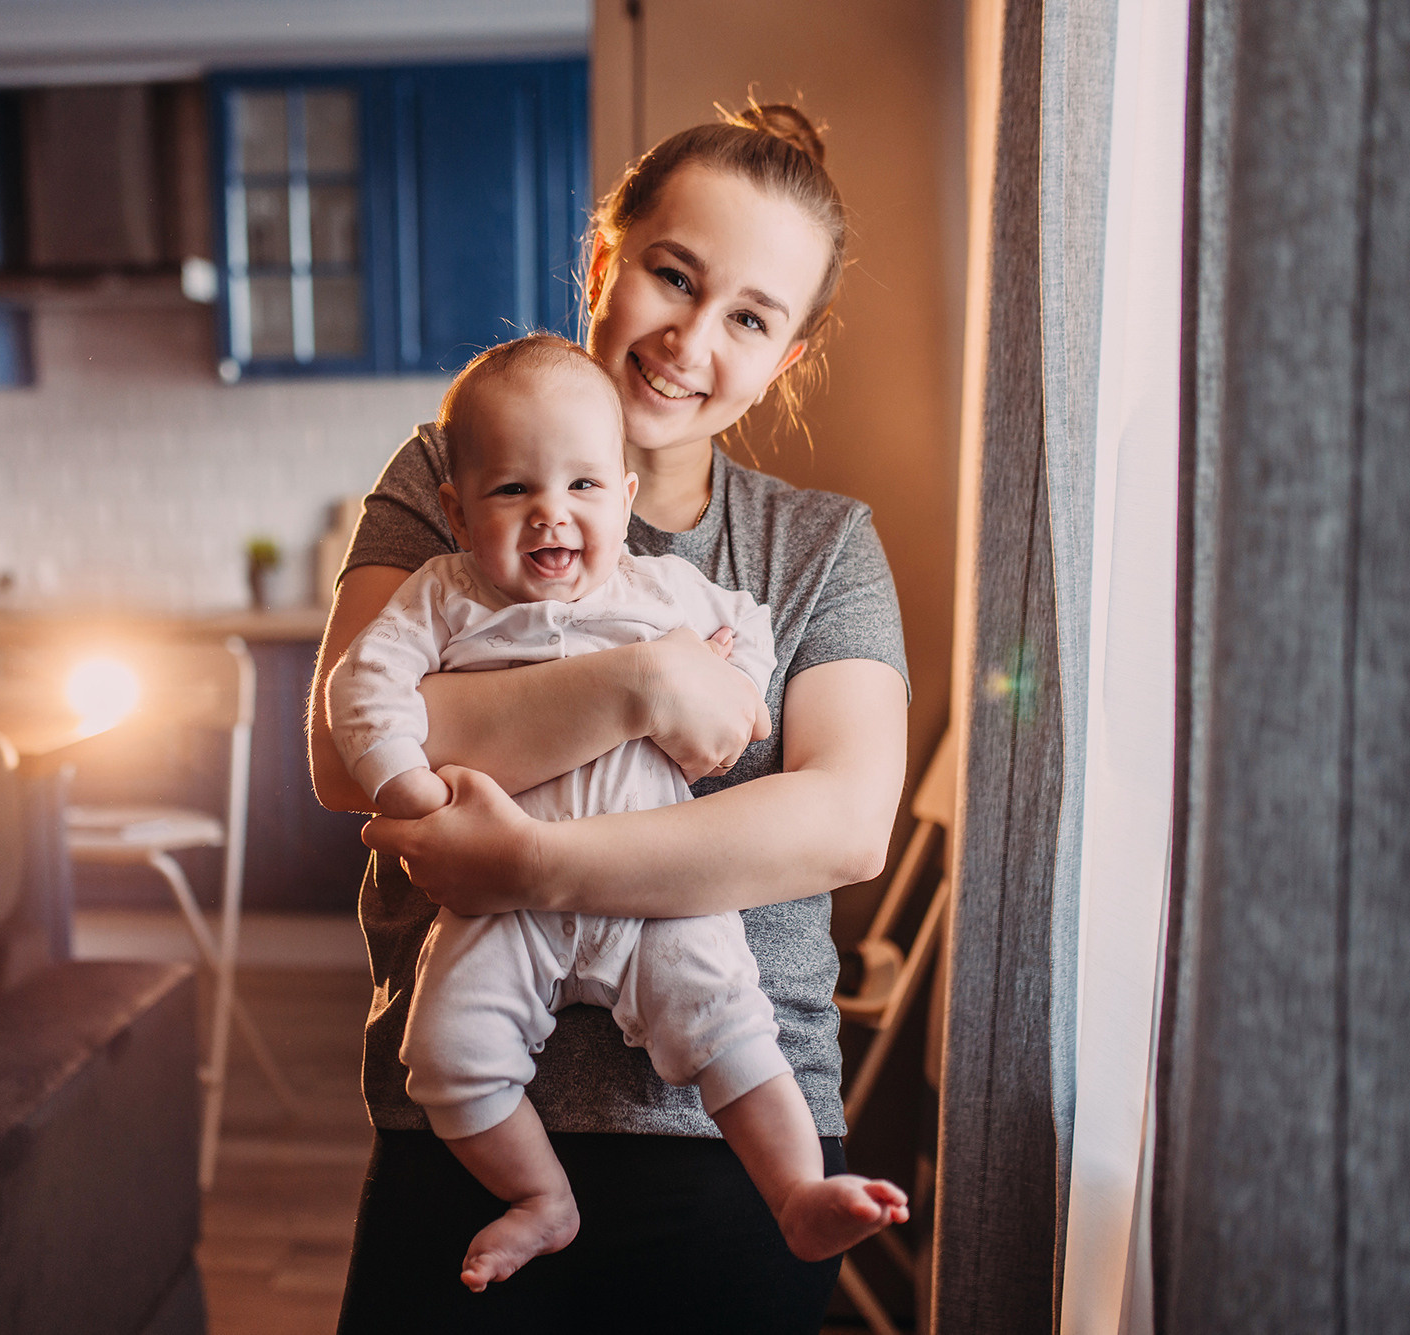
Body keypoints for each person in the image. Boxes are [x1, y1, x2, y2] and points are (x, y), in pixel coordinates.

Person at [310, 102, 910, 1335]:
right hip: (461, 1133)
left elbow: (842, 826)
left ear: (786, 356)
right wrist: (641, 686)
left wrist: (527, 863)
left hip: (731, 1141)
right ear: (603, 264)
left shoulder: (818, 549)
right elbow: (343, 749)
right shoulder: (449, 478)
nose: (690, 339)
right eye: (672, 277)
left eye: (749, 318)